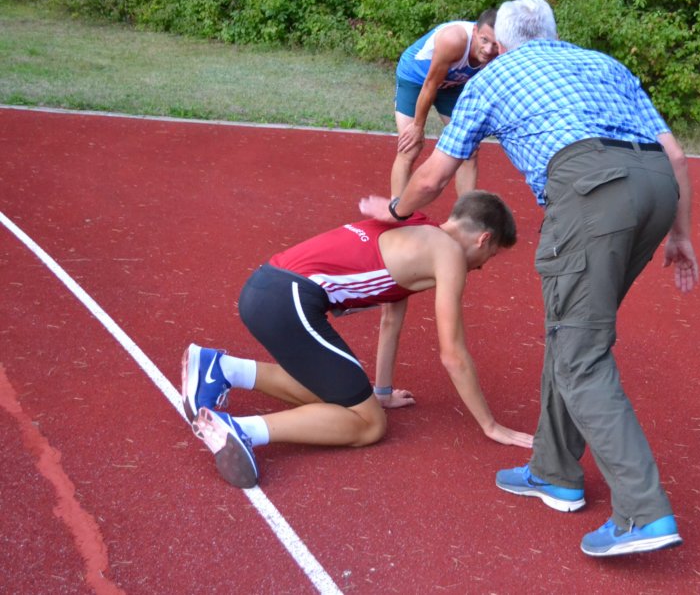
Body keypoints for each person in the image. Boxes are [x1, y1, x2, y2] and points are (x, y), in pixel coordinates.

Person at [360, 0, 699, 557]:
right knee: (572, 334)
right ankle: (555, 471)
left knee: (581, 353)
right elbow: (678, 158)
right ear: (554, 32)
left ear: (501, 41)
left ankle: (644, 513)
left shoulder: (492, 78)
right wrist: (681, 235)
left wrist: (394, 211)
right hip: (657, 190)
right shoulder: (604, 63)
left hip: (592, 194)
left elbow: (435, 176)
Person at [181, 190, 533, 489]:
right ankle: (242, 430)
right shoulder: (449, 254)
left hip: (266, 287)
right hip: (290, 299)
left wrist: (382, 392)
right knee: (369, 424)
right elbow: (453, 355)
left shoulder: (414, 226)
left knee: (347, 401)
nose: (482, 266)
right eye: (491, 256)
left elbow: (390, 320)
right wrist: (491, 426)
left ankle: (222, 368)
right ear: (483, 239)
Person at [392, 9, 499, 199]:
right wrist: (417, 126)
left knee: (468, 149)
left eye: (495, 44)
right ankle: (396, 209)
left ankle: (467, 213)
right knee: (410, 146)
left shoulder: (505, 49)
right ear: (475, 31)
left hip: (452, 84)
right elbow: (430, 84)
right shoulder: (454, 39)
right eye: (484, 40)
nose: (489, 50)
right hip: (417, 79)